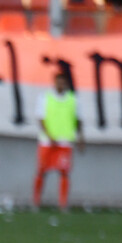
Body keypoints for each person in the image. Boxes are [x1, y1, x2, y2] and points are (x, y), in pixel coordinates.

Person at [33, 71, 84, 211]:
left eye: (63, 82)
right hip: (47, 142)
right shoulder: (45, 97)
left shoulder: (73, 99)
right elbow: (40, 118)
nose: (61, 84)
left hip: (65, 142)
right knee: (42, 171)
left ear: (66, 83)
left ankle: (63, 204)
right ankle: (36, 202)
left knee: (64, 172)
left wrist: (80, 137)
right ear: (54, 82)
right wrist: (49, 136)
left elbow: (78, 120)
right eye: (58, 81)